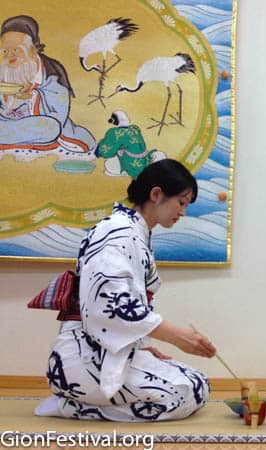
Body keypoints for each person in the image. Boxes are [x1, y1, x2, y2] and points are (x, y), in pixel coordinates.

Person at [35, 159, 216, 421]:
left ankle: (84, 401)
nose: (183, 212)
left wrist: (141, 346)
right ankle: (71, 405)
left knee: (198, 382)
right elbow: (112, 305)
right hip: (83, 356)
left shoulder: (133, 232)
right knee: (183, 393)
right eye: (181, 202)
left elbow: (124, 307)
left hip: (107, 350)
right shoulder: (117, 232)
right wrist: (177, 336)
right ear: (156, 194)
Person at [0, 15, 95, 155]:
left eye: (17, 49)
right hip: (6, 119)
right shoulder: (4, 71)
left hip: (40, 123)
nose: (10, 55)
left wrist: (32, 96)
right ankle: (13, 137)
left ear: (32, 49)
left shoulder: (51, 73)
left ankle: (8, 137)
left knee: (51, 128)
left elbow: (59, 112)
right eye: (5, 51)